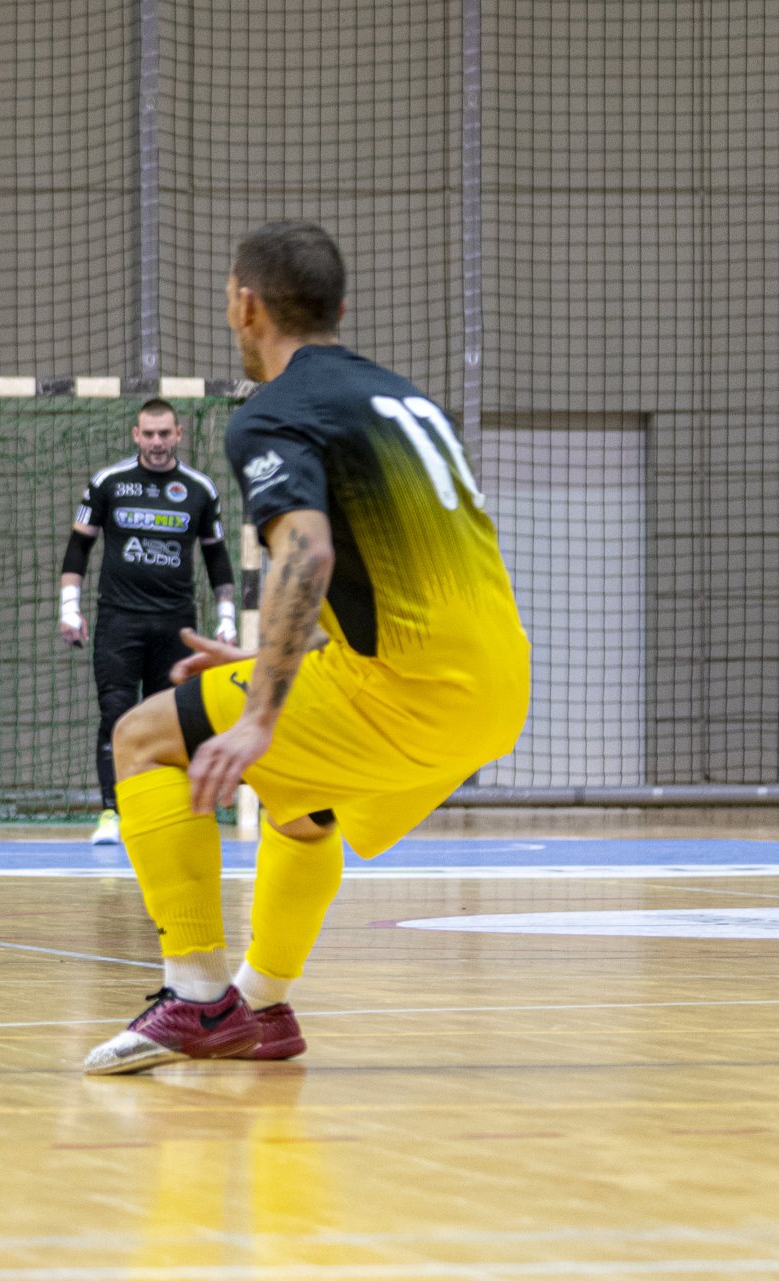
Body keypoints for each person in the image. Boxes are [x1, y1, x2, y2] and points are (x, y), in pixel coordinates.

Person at [83, 221, 530, 1074]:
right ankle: (262, 1002)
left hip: (409, 688)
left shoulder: (277, 412)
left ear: (246, 305)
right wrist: (277, 665)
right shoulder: (409, 401)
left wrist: (259, 713)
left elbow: (309, 553)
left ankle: (197, 996)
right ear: (339, 310)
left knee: (141, 736)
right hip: (499, 687)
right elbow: (402, 577)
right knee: (300, 801)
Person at [60, 399, 238, 846]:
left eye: (164, 434)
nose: (157, 442)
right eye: (149, 434)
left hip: (176, 625)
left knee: (170, 720)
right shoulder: (109, 482)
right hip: (119, 622)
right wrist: (68, 607)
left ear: (178, 434)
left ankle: (165, 812)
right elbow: (79, 547)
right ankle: (112, 813)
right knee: (116, 715)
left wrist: (227, 618)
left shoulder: (199, 489)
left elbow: (217, 558)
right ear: (136, 435)